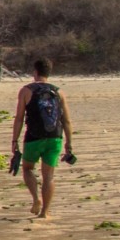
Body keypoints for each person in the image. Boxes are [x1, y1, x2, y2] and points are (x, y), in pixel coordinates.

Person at [11, 57, 74, 219]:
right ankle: (45, 213)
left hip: (33, 137)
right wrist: (69, 144)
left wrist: (14, 140)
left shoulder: (26, 91)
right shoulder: (59, 92)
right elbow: (66, 120)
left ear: (35, 72)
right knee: (49, 176)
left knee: (27, 168)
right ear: (49, 73)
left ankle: (36, 199)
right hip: (55, 137)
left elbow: (19, 118)